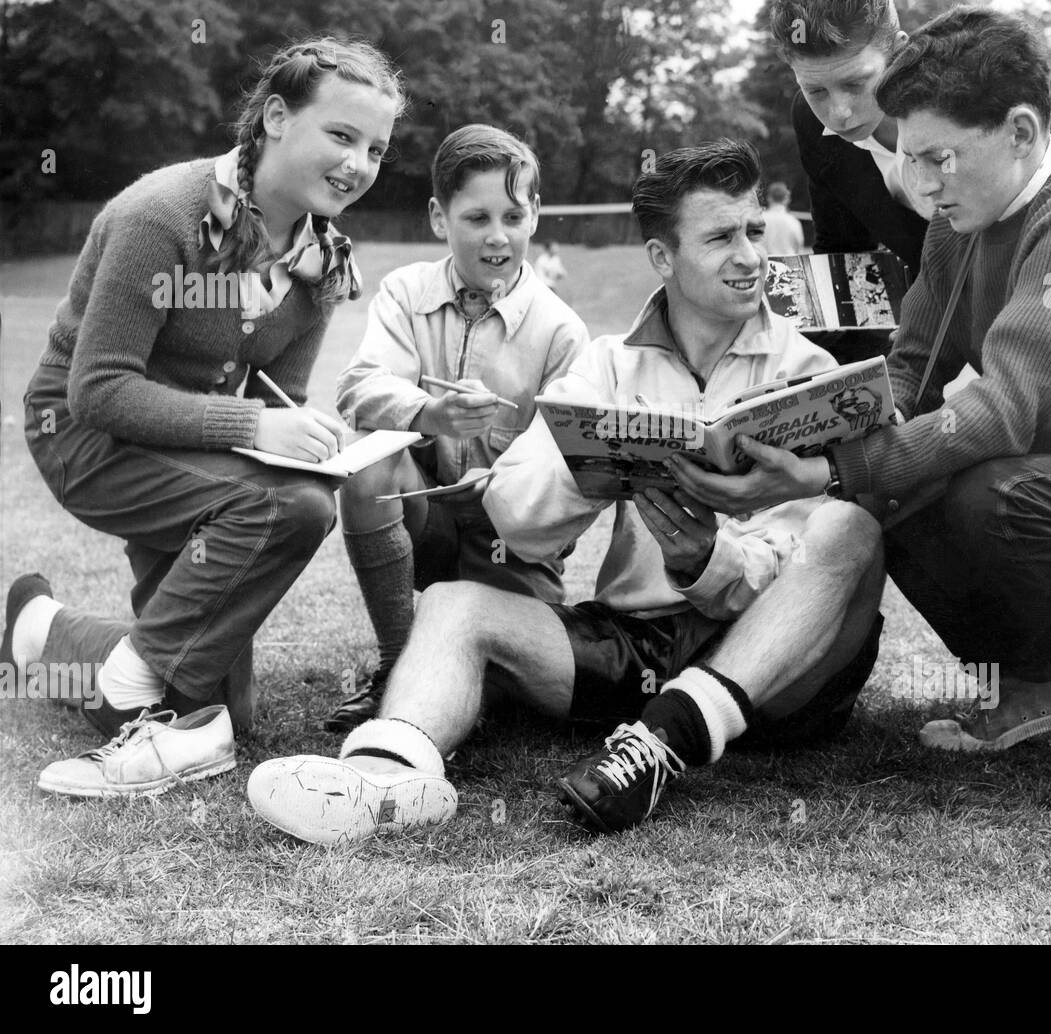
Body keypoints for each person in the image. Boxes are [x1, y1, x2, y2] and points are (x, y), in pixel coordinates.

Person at [670, 9, 1051, 828]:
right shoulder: (960, 224)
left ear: (1024, 132)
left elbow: (1000, 410)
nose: (920, 183)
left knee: (991, 491)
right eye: (913, 157)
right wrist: (782, 427)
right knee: (894, 495)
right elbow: (907, 374)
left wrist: (828, 472)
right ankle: (1033, 682)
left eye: (938, 158)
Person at [245, 140, 884, 845]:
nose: (751, 257)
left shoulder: (808, 369)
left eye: (754, 231)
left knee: (853, 527)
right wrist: (591, 475)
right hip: (634, 649)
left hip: (769, 664)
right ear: (664, 259)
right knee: (455, 606)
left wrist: (708, 559)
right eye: (722, 237)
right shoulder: (606, 364)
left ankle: (674, 729)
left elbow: (806, 562)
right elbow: (515, 519)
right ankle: (382, 782)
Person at [1, 37, 405, 798]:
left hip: (193, 455)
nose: (358, 163)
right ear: (277, 118)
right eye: (342, 135)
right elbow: (101, 390)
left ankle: (37, 631)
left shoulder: (322, 262)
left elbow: (275, 396)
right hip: (88, 437)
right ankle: (125, 682)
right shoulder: (166, 214)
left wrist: (305, 439)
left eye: (376, 149)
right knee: (293, 506)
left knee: (217, 708)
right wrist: (254, 433)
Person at [325, 125, 589, 732]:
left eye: (512, 216)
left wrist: (505, 480)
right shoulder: (404, 291)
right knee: (367, 462)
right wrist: (430, 414)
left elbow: (573, 469)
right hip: (425, 525)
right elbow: (358, 386)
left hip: (514, 539)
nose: (498, 236)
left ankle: (456, 657)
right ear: (439, 219)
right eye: (476, 218)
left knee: (509, 701)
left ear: (535, 215)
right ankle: (395, 662)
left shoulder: (562, 331)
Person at [771, 0, 1051, 278]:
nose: (839, 113)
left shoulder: (988, 101)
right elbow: (843, 254)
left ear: (898, 53)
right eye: (816, 91)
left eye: (855, 83)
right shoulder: (810, 122)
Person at [761, 181, 806, 256]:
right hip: (788, 264)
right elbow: (799, 248)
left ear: (769, 198)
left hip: (764, 263)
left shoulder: (759, 220)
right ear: (787, 199)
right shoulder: (793, 222)